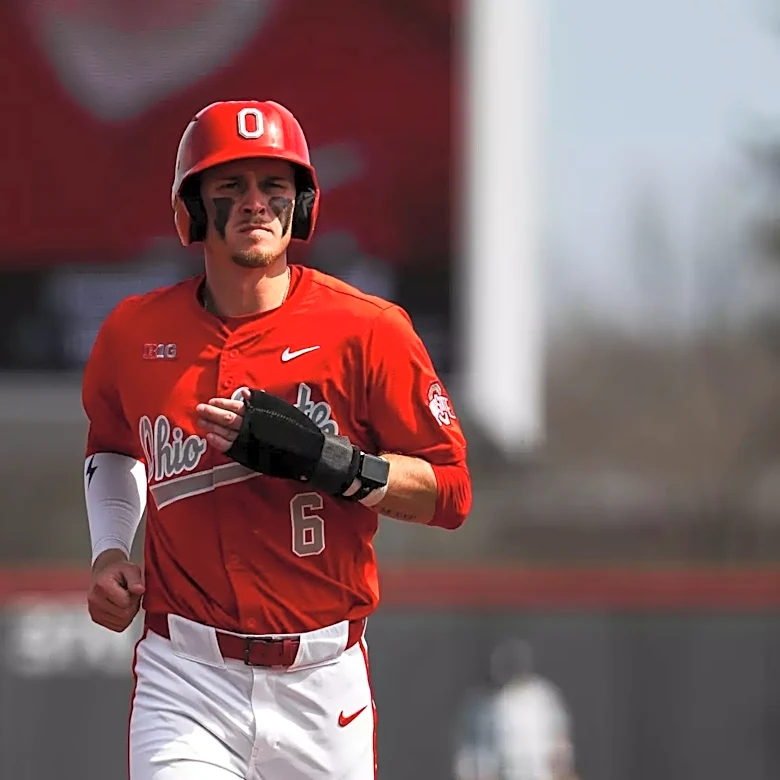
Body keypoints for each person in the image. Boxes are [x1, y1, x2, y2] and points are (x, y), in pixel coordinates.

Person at [82, 99, 471, 780]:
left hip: (322, 686)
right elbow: (113, 447)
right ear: (192, 209)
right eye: (230, 186)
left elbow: (451, 494)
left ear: (303, 205)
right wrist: (109, 548)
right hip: (187, 678)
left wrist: (332, 463)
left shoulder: (368, 330)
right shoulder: (132, 334)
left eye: (275, 186)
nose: (256, 203)